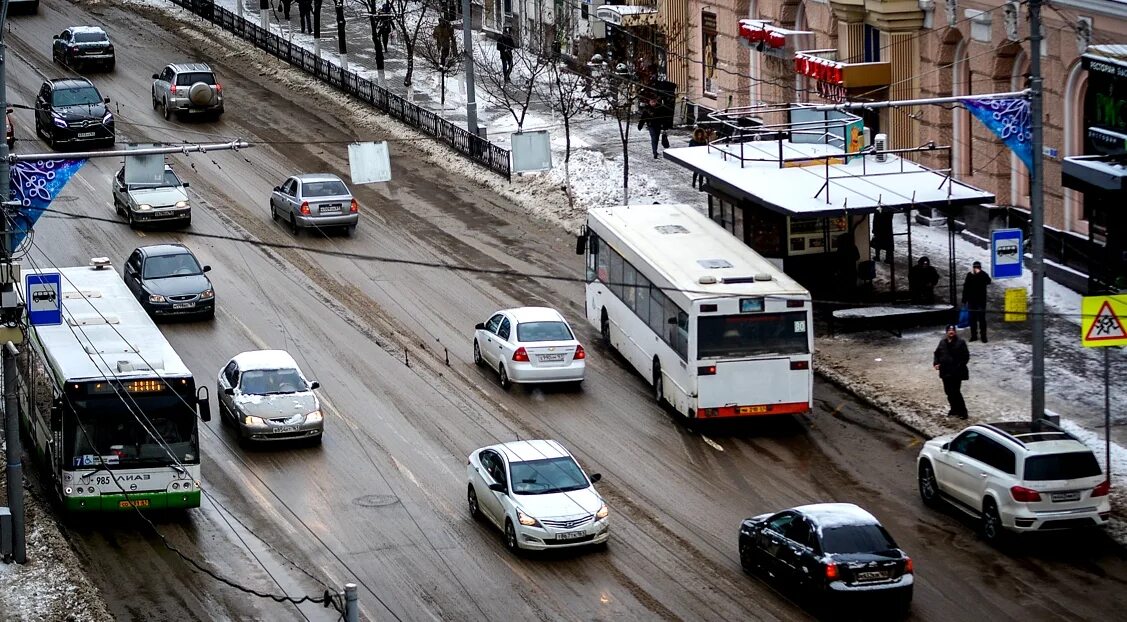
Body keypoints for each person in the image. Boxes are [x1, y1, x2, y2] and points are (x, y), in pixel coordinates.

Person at [933, 324, 970, 419]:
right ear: (946, 332)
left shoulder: (960, 342)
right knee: (948, 392)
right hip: (945, 372)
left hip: (956, 373)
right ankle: (954, 409)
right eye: (949, 330)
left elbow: (965, 356)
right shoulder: (942, 342)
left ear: (955, 331)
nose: (951, 331)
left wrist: (958, 366)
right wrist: (936, 363)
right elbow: (937, 354)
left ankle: (962, 412)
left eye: (953, 330)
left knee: (956, 391)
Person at [962, 260, 992, 342]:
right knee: (972, 319)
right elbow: (966, 288)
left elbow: (988, 281)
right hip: (972, 301)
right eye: (975, 267)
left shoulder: (983, 274)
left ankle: (983, 336)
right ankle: (974, 336)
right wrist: (964, 300)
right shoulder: (969, 275)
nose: (976, 269)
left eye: (977, 267)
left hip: (981, 300)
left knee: (982, 319)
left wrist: (981, 273)